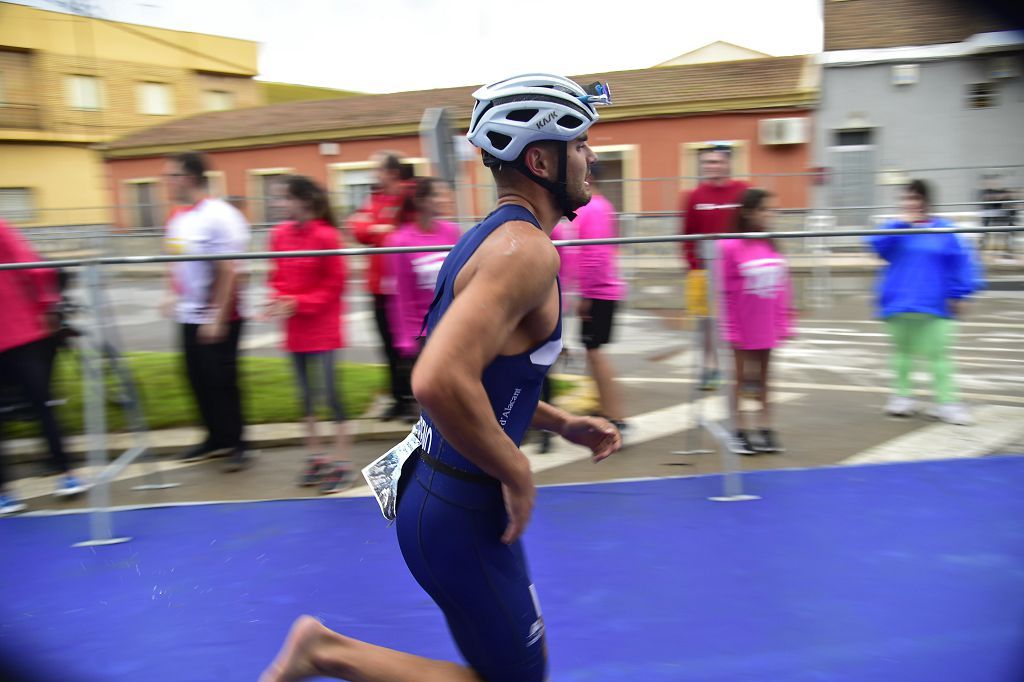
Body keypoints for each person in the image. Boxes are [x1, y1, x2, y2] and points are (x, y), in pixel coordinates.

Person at [261, 73, 621, 682]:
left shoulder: (484, 241)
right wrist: (518, 468)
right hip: (461, 508)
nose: (591, 157)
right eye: (580, 143)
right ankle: (322, 651)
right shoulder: (527, 253)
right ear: (540, 158)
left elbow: (482, 372)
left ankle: (322, 650)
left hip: (440, 494)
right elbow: (436, 378)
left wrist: (560, 422)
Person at [161, 152, 251, 471]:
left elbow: (229, 269)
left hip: (221, 314)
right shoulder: (178, 217)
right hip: (189, 314)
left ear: (188, 177)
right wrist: (171, 293)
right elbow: (173, 260)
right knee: (196, 378)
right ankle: (215, 438)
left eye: (169, 175)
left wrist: (217, 315)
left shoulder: (219, 215)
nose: (165, 182)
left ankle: (238, 443)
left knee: (222, 380)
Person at [868, 179, 982, 426]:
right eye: (906, 199)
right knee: (901, 354)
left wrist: (960, 293)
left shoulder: (944, 230)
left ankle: (947, 402)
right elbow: (876, 246)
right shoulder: (895, 229)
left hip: (935, 304)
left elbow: (961, 263)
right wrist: (901, 224)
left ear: (926, 202)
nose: (910, 203)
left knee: (940, 355)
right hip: (898, 302)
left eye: (915, 198)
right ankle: (902, 397)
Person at [267, 176, 354, 494]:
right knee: (305, 396)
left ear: (304, 200)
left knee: (332, 395)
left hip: (324, 329)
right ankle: (316, 456)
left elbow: (335, 285)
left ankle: (342, 461)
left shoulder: (327, 236)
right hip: (295, 330)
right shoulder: (278, 235)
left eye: (286, 198)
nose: (281, 204)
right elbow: (275, 274)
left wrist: (297, 302)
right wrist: (277, 298)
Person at [0, 220, 87, 514]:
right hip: (20, 334)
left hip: (24, 333)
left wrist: (49, 305)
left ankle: (64, 474)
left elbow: (34, 266)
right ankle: (60, 476)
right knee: (40, 405)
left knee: (41, 404)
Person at [718, 189, 793, 455]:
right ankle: (738, 430)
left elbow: (783, 286)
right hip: (742, 323)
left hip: (767, 324)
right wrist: (730, 327)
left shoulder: (770, 242)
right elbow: (723, 291)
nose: (770, 215)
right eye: (765, 210)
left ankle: (765, 427)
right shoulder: (729, 246)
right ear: (748, 212)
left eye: (772, 210)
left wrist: (785, 322)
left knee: (764, 378)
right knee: (740, 379)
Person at [384, 177, 461, 418]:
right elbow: (400, 297)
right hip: (422, 334)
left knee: (455, 393)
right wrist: (406, 339)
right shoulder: (399, 241)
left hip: (452, 326)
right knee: (428, 397)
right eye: (437, 195)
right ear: (421, 201)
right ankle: (427, 446)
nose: (444, 200)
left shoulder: (452, 232)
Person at [348, 152, 416, 421]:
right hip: (377, 287)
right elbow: (357, 229)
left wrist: (379, 229)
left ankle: (414, 399)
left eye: (377, 169)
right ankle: (398, 399)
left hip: (402, 287)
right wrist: (381, 228)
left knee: (409, 347)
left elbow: (405, 235)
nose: (373, 174)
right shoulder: (374, 199)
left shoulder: (408, 196)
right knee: (387, 347)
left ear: (391, 172)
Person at [679, 146, 749, 391]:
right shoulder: (695, 196)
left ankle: (746, 375)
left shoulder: (743, 192)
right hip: (705, 272)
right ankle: (711, 370)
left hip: (737, 272)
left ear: (728, 164)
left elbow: (750, 229)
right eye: (707, 163)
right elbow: (687, 233)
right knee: (708, 325)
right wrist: (693, 265)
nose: (711, 167)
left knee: (741, 324)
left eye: (716, 162)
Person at [574, 166, 630, 438]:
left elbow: (595, 254)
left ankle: (615, 416)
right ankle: (606, 410)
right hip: (601, 290)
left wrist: (586, 295)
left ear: (588, 178)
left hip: (599, 292)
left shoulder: (592, 208)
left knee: (595, 352)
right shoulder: (601, 206)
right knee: (592, 351)